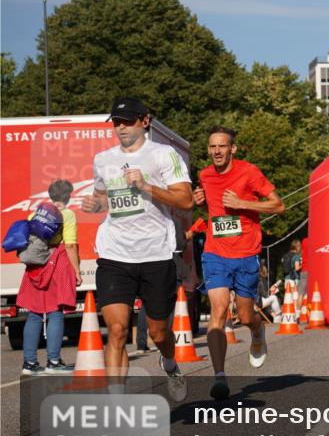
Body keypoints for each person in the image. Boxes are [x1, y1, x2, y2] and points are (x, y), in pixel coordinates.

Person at [81, 98, 194, 400]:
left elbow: (185, 200)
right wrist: (96, 204)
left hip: (156, 253)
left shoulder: (163, 154)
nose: (121, 127)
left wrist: (146, 187)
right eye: (116, 122)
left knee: (158, 332)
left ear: (145, 121)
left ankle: (170, 364)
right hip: (115, 253)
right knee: (117, 330)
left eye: (128, 121)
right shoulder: (103, 159)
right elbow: (103, 196)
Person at [193, 126, 285, 400]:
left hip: (246, 253)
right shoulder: (205, 175)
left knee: (245, 316)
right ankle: (219, 376)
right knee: (219, 310)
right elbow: (213, 210)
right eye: (212, 146)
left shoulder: (249, 172)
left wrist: (243, 203)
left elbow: (278, 206)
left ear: (232, 148)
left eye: (222, 146)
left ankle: (257, 331)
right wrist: (200, 203)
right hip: (215, 253)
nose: (216, 151)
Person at [18, 193, 79, 375]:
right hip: (55, 264)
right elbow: (70, 245)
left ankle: (29, 363)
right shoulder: (67, 214)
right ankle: (53, 361)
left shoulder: (35, 214)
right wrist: (76, 271)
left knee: (34, 314)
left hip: (35, 267)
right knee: (56, 312)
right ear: (67, 198)